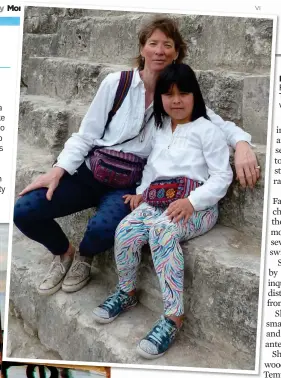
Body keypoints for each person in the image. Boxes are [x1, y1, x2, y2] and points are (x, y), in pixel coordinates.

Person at [14, 15, 259, 296]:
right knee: (24, 210)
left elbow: (215, 122)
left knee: (105, 228)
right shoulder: (115, 84)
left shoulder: (174, 98)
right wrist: (57, 171)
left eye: (167, 45)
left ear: (176, 53)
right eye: (153, 43)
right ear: (142, 48)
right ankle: (64, 253)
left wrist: (241, 144)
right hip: (93, 171)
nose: (159, 50)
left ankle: (84, 256)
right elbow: (86, 134)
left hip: (131, 183)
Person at [92, 63, 233, 359]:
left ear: (196, 95)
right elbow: (153, 167)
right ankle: (127, 291)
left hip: (197, 206)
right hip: (158, 199)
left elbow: (222, 177)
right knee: (126, 229)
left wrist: (192, 202)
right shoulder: (158, 126)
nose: (177, 100)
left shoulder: (207, 130)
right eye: (169, 94)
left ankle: (172, 316)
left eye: (184, 93)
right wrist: (143, 193)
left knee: (162, 232)